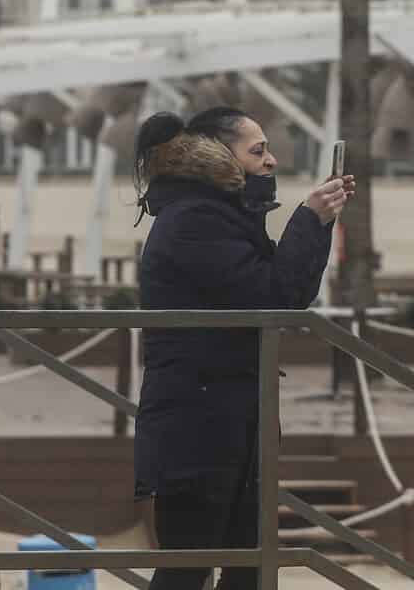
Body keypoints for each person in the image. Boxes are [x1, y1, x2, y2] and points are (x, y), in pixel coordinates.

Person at [130, 105, 353, 590]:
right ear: (218, 155)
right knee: (189, 565)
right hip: (199, 424)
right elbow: (271, 297)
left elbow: (284, 294)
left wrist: (315, 222)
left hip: (228, 418)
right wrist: (310, 218)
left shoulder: (221, 215)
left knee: (245, 562)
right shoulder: (196, 220)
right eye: (258, 150)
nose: (271, 161)